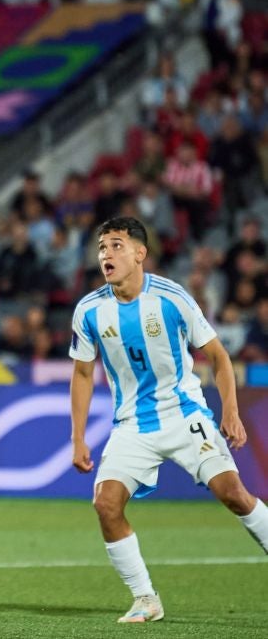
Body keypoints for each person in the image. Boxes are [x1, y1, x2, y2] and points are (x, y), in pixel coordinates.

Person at [68, 216, 268, 623]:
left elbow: (218, 356)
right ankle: (146, 599)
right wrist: (78, 437)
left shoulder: (171, 298)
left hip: (184, 414)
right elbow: (83, 374)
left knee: (233, 494)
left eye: (117, 245)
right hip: (132, 425)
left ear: (140, 253)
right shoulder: (89, 310)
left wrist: (230, 411)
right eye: (102, 247)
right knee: (106, 504)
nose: (106, 254)